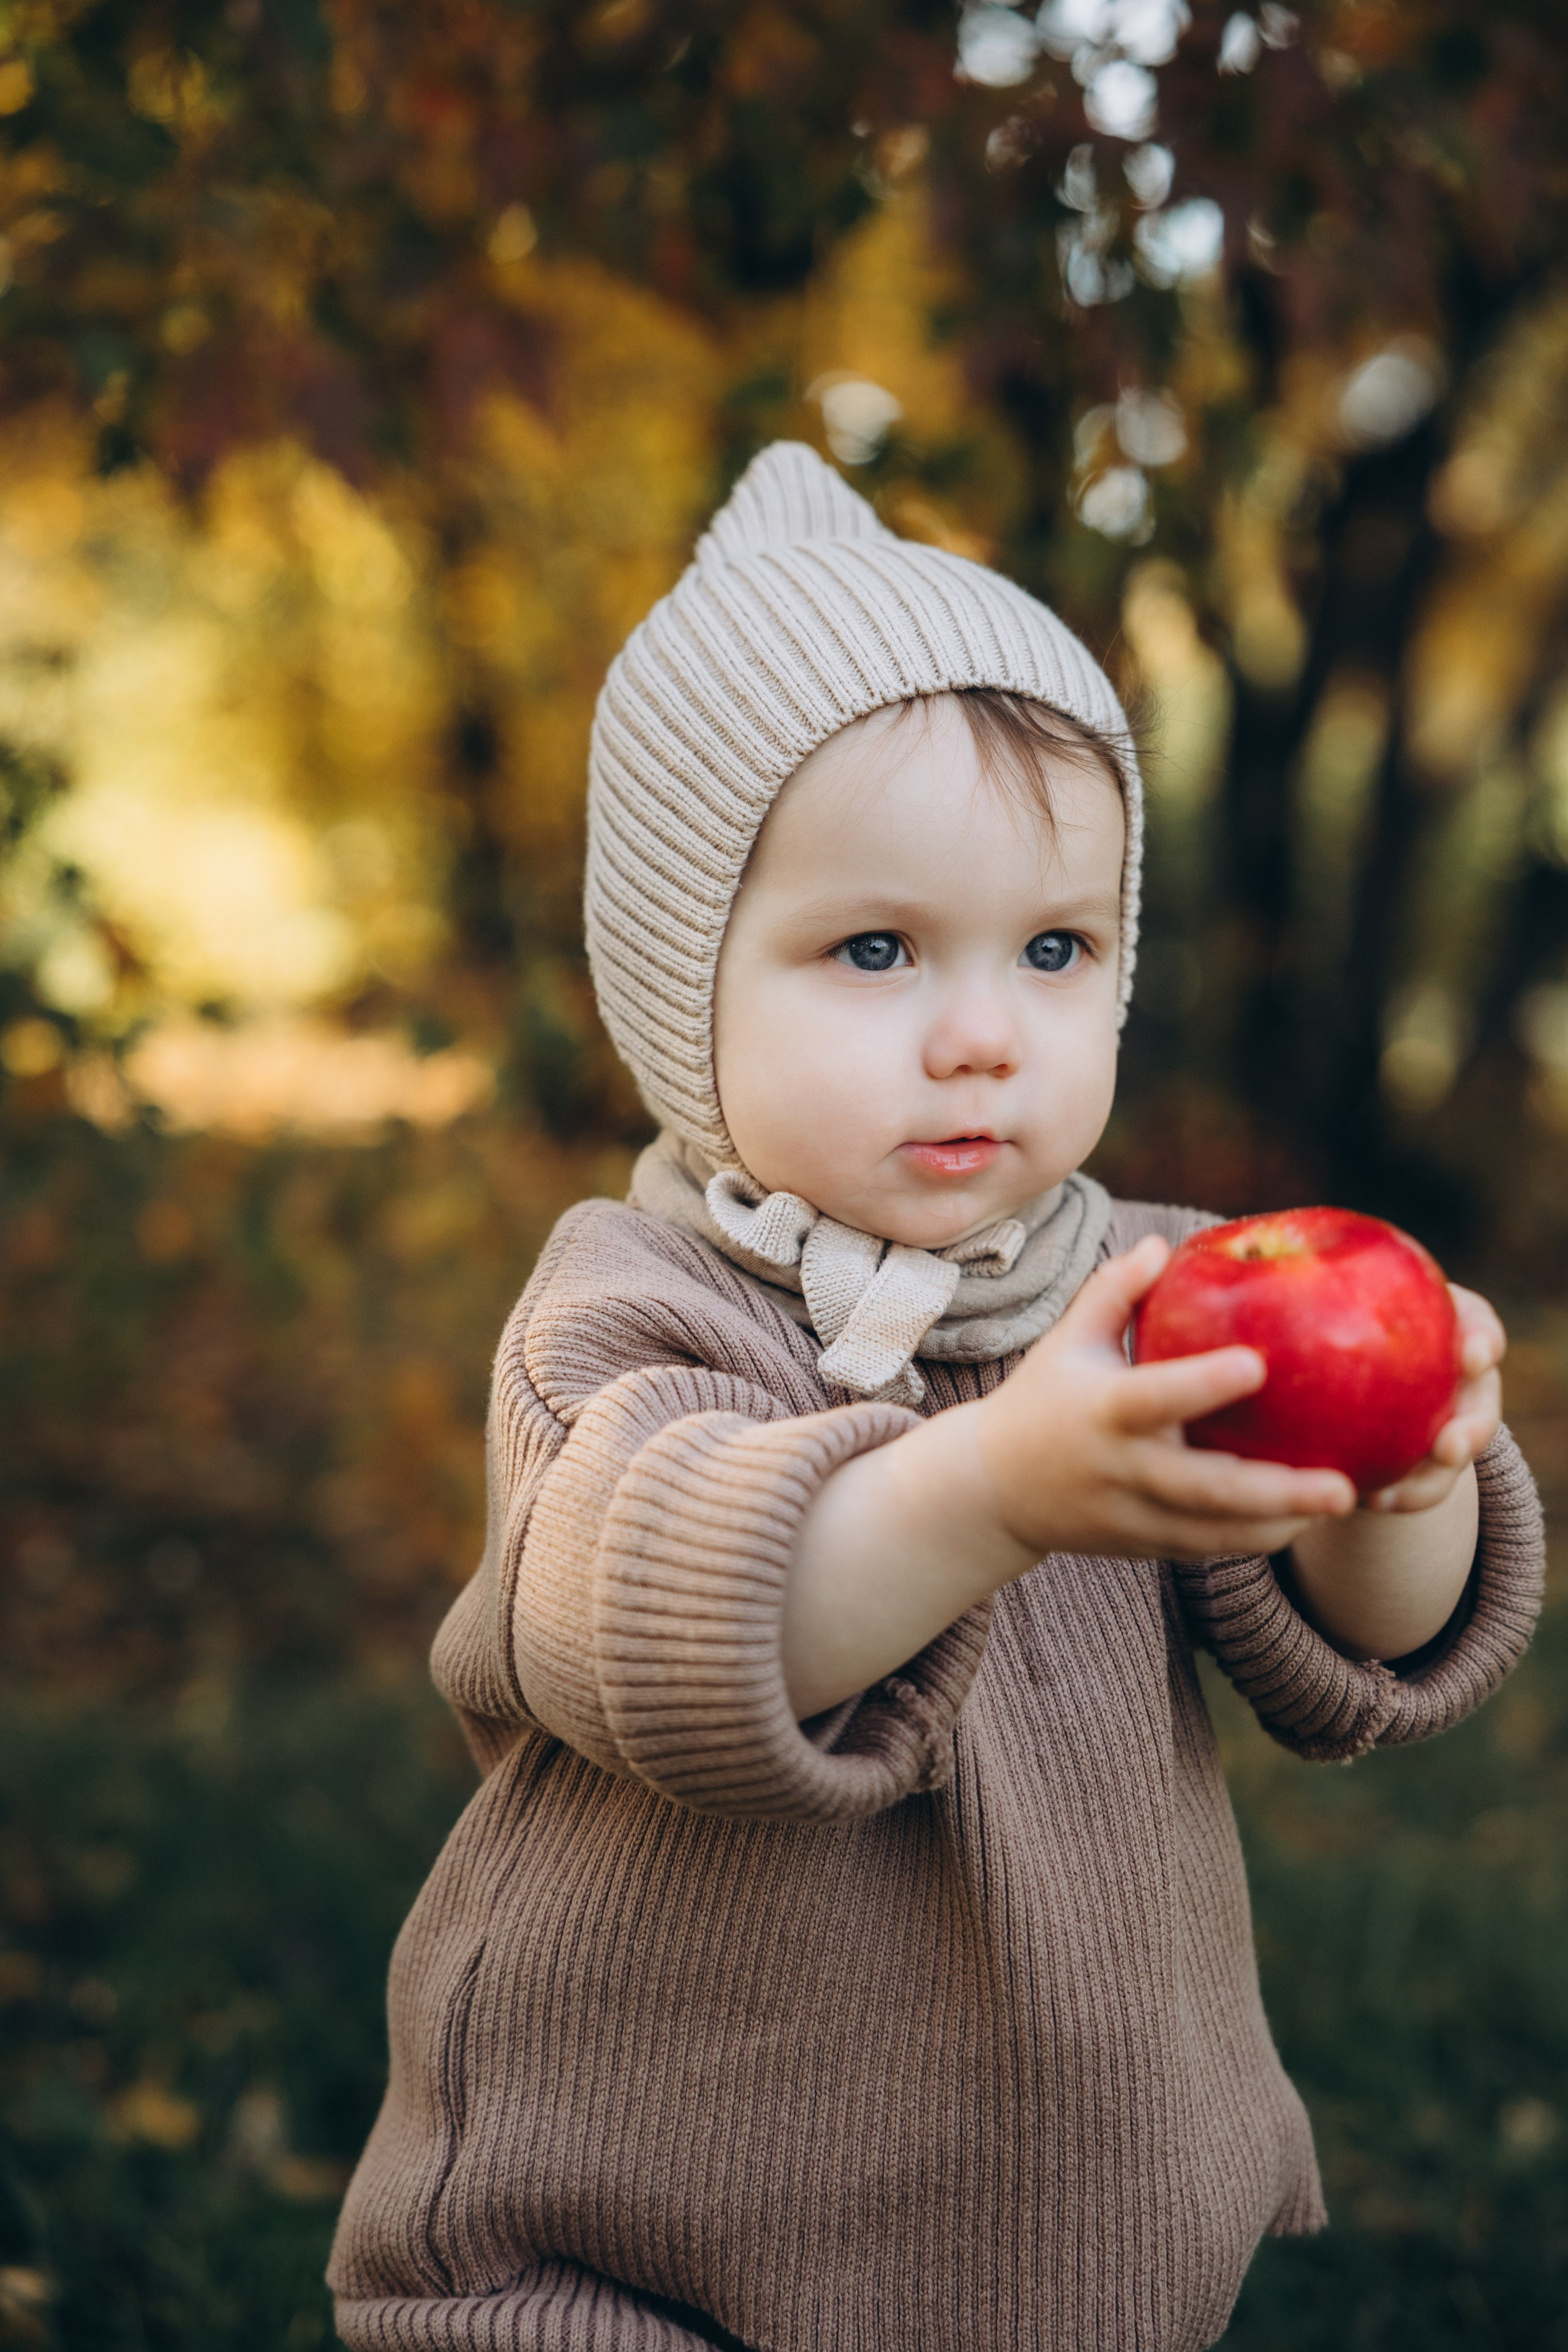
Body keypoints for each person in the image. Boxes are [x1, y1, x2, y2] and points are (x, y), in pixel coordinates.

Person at [328, 444, 1544, 2352]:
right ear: (679, 992)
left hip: (1075, 2236)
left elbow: (1354, 1662)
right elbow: (648, 1625)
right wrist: (991, 1494)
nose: (984, 1027)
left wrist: (1403, 1476)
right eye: (876, 949)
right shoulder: (628, 1310)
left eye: (1055, 949)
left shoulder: (1155, 1288)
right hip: (634, 2246)